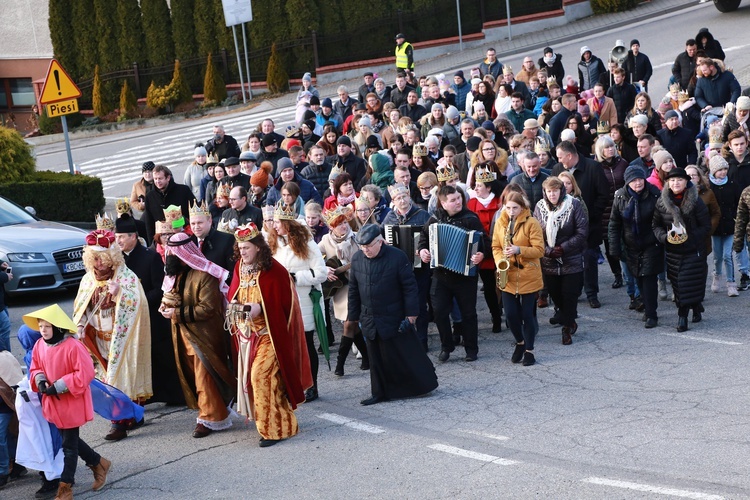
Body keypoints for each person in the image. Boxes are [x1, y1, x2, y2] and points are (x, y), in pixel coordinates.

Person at [226, 223, 312, 446]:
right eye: (240, 247)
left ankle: (273, 430)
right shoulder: (239, 267)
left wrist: (261, 308)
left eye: (246, 247)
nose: (242, 251)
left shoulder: (274, 270)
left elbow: (283, 306)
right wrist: (236, 304)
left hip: (270, 335)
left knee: (261, 376)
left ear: (257, 247)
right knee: (260, 380)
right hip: (247, 336)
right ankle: (283, 422)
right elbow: (234, 292)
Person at [26, 304, 111, 499]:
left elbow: (86, 372)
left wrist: (60, 385)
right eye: (41, 326)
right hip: (53, 401)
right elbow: (35, 367)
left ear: (57, 326)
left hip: (71, 402)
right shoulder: (40, 344)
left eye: (47, 326)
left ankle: (66, 488)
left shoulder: (73, 345)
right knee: (69, 440)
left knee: (69, 447)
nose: (43, 330)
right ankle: (99, 463)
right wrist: (40, 380)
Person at [73, 229, 152, 441]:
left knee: (121, 379)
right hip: (97, 340)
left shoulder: (127, 277)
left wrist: (120, 294)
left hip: (122, 339)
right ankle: (128, 417)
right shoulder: (88, 280)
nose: (99, 263)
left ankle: (121, 423)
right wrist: (80, 326)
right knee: (106, 380)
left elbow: (138, 305)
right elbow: (81, 308)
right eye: (95, 259)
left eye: (103, 259)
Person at [348, 224, 437, 405]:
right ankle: (378, 392)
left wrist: (411, 314)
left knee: (404, 354)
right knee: (375, 359)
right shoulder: (357, 259)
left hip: (393, 315)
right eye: (362, 247)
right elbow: (353, 289)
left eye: (369, 246)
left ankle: (421, 385)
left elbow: (409, 287)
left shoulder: (397, 256)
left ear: (380, 242)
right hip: (369, 317)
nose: (366, 250)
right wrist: (353, 316)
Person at [160, 233, 236, 438]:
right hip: (183, 337)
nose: (170, 258)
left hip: (204, 337)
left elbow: (208, 308)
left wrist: (177, 313)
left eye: (173, 254)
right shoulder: (175, 275)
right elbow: (170, 297)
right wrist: (165, 306)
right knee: (196, 378)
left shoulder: (205, 274)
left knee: (205, 378)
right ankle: (213, 410)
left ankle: (210, 418)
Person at [115, 214, 184, 407]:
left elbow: (159, 288)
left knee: (161, 357)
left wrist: (137, 300)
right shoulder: (118, 260)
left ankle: (174, 395)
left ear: (133, 237)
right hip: (128, 320)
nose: (118, 240)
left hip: (151, 316)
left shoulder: (150, 257)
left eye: (122, 236)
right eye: (116, 237)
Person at [418, 185, 488, 362]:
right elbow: (423, 238)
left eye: (459, 198)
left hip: (465, 276)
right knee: (440, 312)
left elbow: (485, 242)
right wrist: (423, 251)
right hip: (441, 275)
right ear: (443, 203)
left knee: (468, 313)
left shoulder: (471, 219)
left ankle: (471, 349)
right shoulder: (435, 219)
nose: (458, 202)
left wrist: (481, 254)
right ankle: (446, 346)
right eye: (453, 200)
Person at [266, 202, 327, 402]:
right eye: (273, 221)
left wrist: (295, 277)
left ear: (288, 223)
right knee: (287, 346)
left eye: (277, 222)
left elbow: (321, 273)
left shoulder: (307, 243)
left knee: (306, 346)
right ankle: (293, 385)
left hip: (304, 301)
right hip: (283, 302)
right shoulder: (273, 243)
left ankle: (312, 386)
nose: (274, 225)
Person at [552, 141, 609, 309]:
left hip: (589, 225)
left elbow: (603, 194)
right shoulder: (557, 170)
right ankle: (574, 292)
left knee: (589, 259)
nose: (559, 161)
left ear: (570, 156)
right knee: (569, 260)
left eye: (561, 157)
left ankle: (592, 293)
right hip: (563, 229)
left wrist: (589, 217)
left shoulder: (593, 167)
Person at [652, 168, 711, 332]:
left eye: (679, 180)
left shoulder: (696, 201)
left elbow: (706, 226)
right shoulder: (662, 202)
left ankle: (683, 316)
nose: (675, 183)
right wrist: (665, 238)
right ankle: (695, 306)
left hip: (693, 249)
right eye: (672, 180)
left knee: (690, 283)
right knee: (678, 285)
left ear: (686, 182)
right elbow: (655, 225)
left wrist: (689, 237)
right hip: (673, 251)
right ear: (667, 183)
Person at [493, 186, 545, 365]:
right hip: (507, 274)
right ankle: (520, 342)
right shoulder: (501, 222)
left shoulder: (532, 223)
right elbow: (496, 246)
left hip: (528, 275)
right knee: (511, 315)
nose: (511, 211)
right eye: (508, 207)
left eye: (515, 208)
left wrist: (518, 250)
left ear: (522, 207)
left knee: (527, 315)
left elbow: (539, 250)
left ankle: (529, 350)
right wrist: (501, 259)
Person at [534, 177, 588, 344]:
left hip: (571, 259)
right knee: (556, 296)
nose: (552, 195)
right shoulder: (539, 207)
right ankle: (570, 319)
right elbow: (535, 233)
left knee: (569, 295)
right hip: (549, 261)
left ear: (561, 191)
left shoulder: (573, 205)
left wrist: (563, 248)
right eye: (549, 191)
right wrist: (548, 250)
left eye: (555, 191)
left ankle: (566, 330)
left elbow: (581, 232)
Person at [609, 166, 663, 328]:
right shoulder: (620, 197)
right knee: (638, 277)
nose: (637, 183)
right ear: (627, 182)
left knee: (649, 278)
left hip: (651, 243)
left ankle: (651, 313)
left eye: (640, 179)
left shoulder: (654, 194)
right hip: (631, 245)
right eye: (633, 180)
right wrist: (614, 248)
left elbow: (662, 219)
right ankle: (646, 307)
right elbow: (614, 224)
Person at [466, 164, 504, 332]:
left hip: (500, 250)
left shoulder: (500, 202)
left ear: (488, 187)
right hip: (482, 252)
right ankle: (495, 316)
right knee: (489, 287)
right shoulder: (471, 204)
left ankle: (507, 312)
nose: (476, 188)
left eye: (479, 185)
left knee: (504, 284)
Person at [595, 135, 628, 289]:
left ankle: (629, 271)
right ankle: (617, 274)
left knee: (627, 240)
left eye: (612, 146)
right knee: (610, 245)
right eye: (607, 147)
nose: (610, 149)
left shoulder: (623, 164)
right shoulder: (596, 167)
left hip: (623, 207)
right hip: (606, 210)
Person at [707, 156, 741, 296]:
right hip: (715, 228)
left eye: (725, 169)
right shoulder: (709, 186)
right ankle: (717, 276)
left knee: (728, 255)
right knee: (717, 256)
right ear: (714, 171)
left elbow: (738, 203)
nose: (723, 172)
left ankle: (731, 283)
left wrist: (735, 217)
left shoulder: (732, 184)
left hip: (729, 226)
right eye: (719, 170)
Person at [143, 165, 196, 244]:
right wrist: (152, 243)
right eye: (155, 179)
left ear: (168, 178)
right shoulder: (150, 196)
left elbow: (194, 213)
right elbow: (149, 223)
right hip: (162, 241)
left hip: (183, 236)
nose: (157, 181)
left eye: (160, 178)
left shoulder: (183, 191)